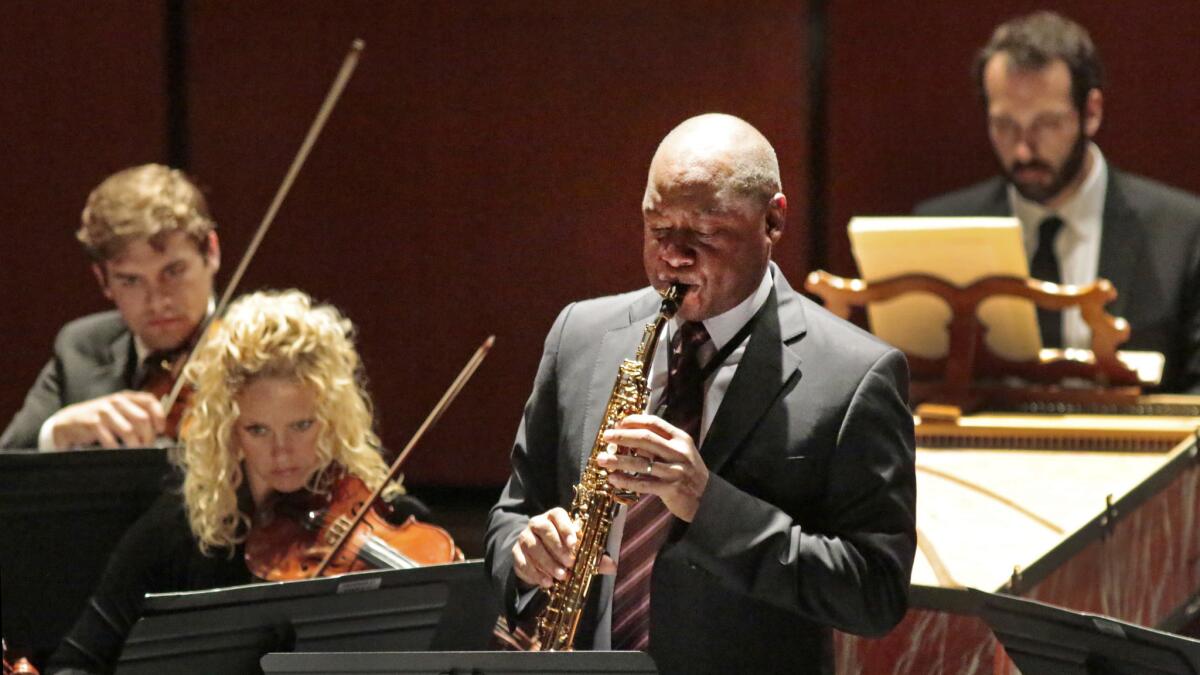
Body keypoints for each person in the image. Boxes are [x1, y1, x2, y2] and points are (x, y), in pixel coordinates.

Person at [485, 114, 916, 674]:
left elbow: (874, 593)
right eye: (658, 229)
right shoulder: (580, 336)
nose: (674, 258)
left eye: (705, 234)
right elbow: (511, 514)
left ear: (774, 221)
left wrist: (706, 504)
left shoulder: (858, 375)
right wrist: (523, 553)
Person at [45, 289, 426, 674]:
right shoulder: (180, 531)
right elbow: (76, 663)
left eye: (301, 425)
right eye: (258, 430)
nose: (281, 452)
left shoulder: (389, 518)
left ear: (333, 418)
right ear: (229, 431)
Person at [915, 11, 1200, 393]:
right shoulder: (939, 230)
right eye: (1004, 124)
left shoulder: (1182, 233)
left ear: (1092, 113)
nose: (1022, 148)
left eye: (1046, 124)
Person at [1, 164, 222, 450]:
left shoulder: (266, 346)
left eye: (174, 271)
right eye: (131, 281)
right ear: (102, 279)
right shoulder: (82, 350)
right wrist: (56, 432)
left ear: (211, 252)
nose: (157, 301)